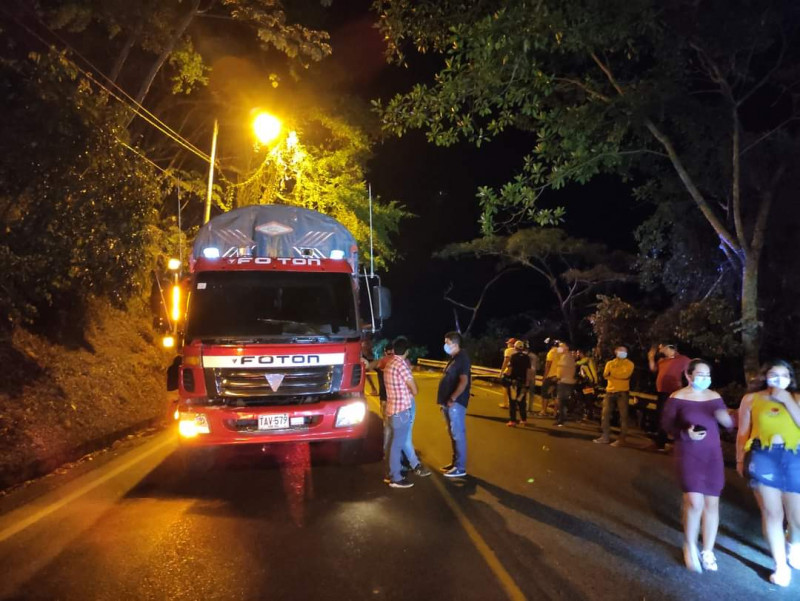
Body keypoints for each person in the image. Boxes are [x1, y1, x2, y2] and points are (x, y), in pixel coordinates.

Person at [661, 360, 733, 573]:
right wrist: (685, 432)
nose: (705, 378)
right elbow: (667, 426)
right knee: (694, 502)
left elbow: (728, 425)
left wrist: (726, 419)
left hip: (712, 456)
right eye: (700, 374)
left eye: (708, 374)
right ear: (689, 376)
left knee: (712, 503)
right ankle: (690, 545)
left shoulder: (715, 397)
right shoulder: (677, 398)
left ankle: (708, 550)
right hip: (689, 453)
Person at [736, 360, 800, 587]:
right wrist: (740, 458)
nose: (778, 378)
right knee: (772, 514)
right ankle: (780, 566)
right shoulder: (751, 399)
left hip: (794, 458)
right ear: (766, 376)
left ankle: (794, 544)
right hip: (763, 457)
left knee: (797, 518)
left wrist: (786, 400)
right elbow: (743, 432)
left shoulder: (797, 398)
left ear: (791, 379)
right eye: (774, 374)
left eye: (784, 375)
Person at [383, 337, 430, 488]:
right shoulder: (401, 365)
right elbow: (414, 390)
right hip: (401, 411)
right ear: (407, 351)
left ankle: (394, 473)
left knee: (396, 443)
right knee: (397, 445)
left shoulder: (389, 363)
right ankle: (395, 477)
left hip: (392, 409)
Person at [438, 331, 471, 478]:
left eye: (447, 342)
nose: (445, 345)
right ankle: (455, 463)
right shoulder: (455, 358)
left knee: (458, 435)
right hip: (448, 403)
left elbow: (464, 381)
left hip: (455, 403)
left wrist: (453, 398)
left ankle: (460, 467)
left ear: (455, 344)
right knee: (453, 434)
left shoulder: (462, 359)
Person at [648, 343, 691, 451]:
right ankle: (661, 443)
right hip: (661, 392)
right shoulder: (662, 360)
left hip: (673, 392)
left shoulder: (682, 359)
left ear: (669, 348)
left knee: (672, 416)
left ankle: (668, 442)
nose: (660, 349)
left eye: (662, 347)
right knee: (661, 415)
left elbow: (694, 366)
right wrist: (651, 358)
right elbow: (653, 369)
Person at [594, 345, 635, 446]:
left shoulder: (629, 364)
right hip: (610, 391)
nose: (623, 353)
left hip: (622, 392)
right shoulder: (610, 363)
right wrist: (616, 374)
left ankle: (621, 439)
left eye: (625, 351)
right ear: (616, 352)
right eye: (621, 351)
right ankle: (605, 436)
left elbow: (626, 375)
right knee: (605, 415)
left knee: (623, 416)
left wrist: (612, 374)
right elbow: (605, 375)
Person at [506, 340, 533, 426]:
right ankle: (523, 419)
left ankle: (512, 421)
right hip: (523, 382)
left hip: (513, 382)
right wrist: (527, 383)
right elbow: (529, 371)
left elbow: (509, 370)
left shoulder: (513, 356)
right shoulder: (527, 358)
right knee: (522, 401)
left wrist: (505, 375)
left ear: (515, 347)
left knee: (512, 402)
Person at [554, 341, 576, 427]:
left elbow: (561, 370)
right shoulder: (567, 357)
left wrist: (558, 377)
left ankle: (561, 419)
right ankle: (562, 418)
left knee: (561, 401)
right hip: (566, 381)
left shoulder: (566, 357)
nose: (559, 348)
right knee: (563, 401)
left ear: (566, 348)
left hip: (564, 382)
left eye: (561, 346)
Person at [538, 339, 560, 416]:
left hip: (550, 376)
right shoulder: (562, 353)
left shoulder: (551, 352)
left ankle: (543, 411)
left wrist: (544, 377)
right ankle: (555, 412)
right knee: (556, 396)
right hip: (559, 377)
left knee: (545, 394)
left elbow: (548, 366)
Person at [499, 338, 517, 409]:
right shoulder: (519, 351)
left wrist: (502, 371)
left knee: (505, 388)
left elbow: (506, 361)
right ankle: (512, 404)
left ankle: (505, 403)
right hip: (516, 372)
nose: (507, 345)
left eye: (509, 343)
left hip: (508, 372)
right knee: (513, 389)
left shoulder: (508, 351)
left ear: (512, 344)